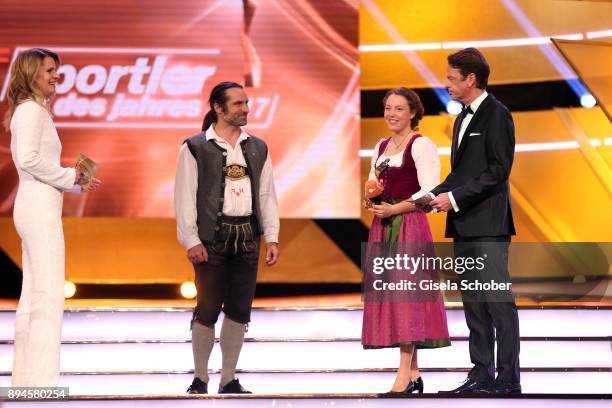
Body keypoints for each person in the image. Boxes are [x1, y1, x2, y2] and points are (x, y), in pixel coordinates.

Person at [174, 81, 280, 394]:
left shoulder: (257, 147)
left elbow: (266, 194)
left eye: (246, 103)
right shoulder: (195, 147)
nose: (245, 109)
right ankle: (200, 378)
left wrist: (271, 236)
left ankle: (228, 379)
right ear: (218, 108)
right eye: (237, 104)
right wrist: (190, 239)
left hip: (247, 235)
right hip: (211, 238)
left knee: (239, 308)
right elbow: (184, 196)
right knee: (207, 308)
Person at [4, 48, 101, 387]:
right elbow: (28, 160)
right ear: (31, 73)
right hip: (37, 210)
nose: (55, 75)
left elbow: (34, 165)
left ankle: (26, 382)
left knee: (33, 295)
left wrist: (75, 183)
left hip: (37, 206)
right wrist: (68, 177)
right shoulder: (31, 112)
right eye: (48, 70)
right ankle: (40, 382)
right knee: (46, 294)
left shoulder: (34, 111)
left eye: (56, 69)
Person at [428, 48, 521, 394]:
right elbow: (459, 174)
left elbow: (498, 170)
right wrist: (431, 195)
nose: (446, 83)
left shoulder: (498, 114)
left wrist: (452, 199)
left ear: (471, 79)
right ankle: (481, 373)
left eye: (451, 77)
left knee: (497, 303)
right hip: (464, 225)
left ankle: (508, 378)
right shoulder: (460, 118)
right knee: (474, 304)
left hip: (490, 226)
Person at [362, 87, 450, 395]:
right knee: (394, 296)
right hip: (383, 225)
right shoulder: (382, 145)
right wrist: (371, 198)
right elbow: (375, 181)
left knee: (407, 297)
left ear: (413, 112)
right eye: (388, 108)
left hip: (409, 225)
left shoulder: (421, 144)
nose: (391, 113)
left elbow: (429, 191)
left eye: (399, 108)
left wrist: (394, 208)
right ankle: (413, 374)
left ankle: (402, 376)